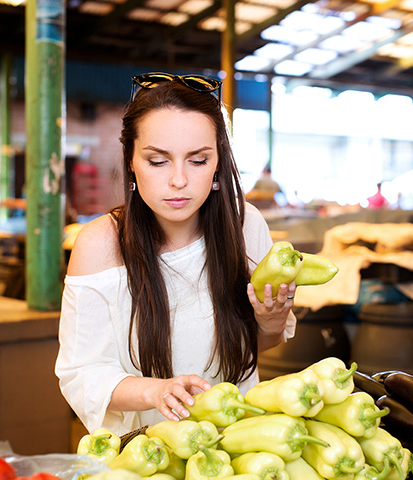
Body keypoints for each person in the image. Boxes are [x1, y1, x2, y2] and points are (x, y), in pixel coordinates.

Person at [55, 72, 297, 435]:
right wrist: (156, 390)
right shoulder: (100, 243)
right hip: (143, 456)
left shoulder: (246, 226)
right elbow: (81, 374)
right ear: (131, 161)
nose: (179, 180)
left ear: (218, 163)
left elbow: (257, 345)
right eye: (158, 161)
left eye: (198, 160)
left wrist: (272, 320)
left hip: (236, 451)